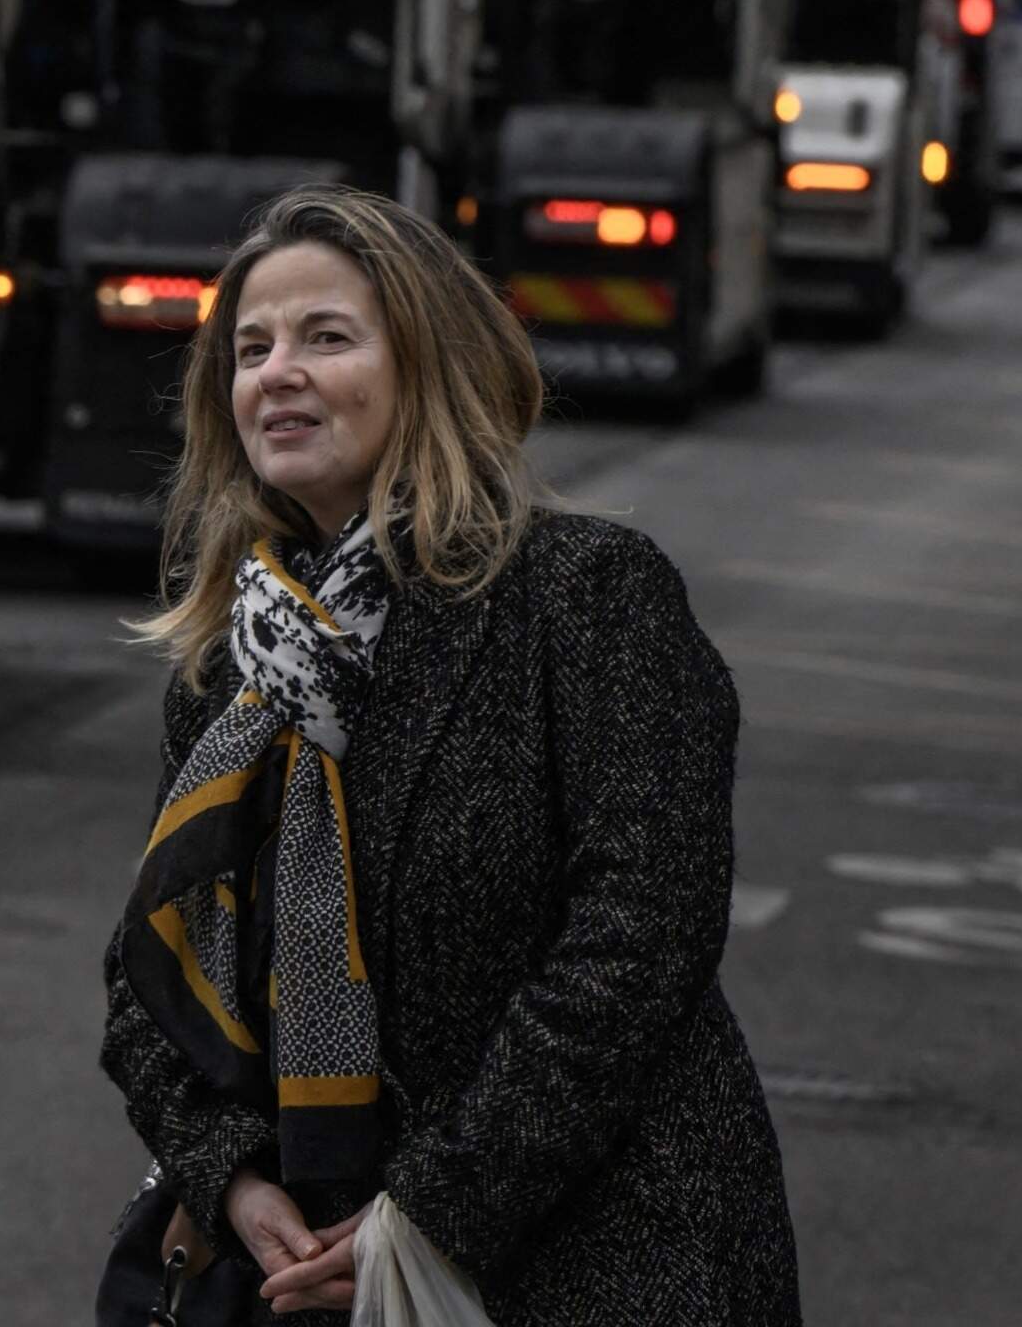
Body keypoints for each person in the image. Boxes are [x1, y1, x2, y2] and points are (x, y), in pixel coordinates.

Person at [98, 184, 799, 1323]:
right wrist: (229, 1177)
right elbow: (146, 982)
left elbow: (641, 939)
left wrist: (430, 1209)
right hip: (307, 1271)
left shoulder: (584, 598)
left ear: (429, 366)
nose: (277, 371)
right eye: (252, 347)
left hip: (594, 1262)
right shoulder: (234, 671)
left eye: (327, 338)